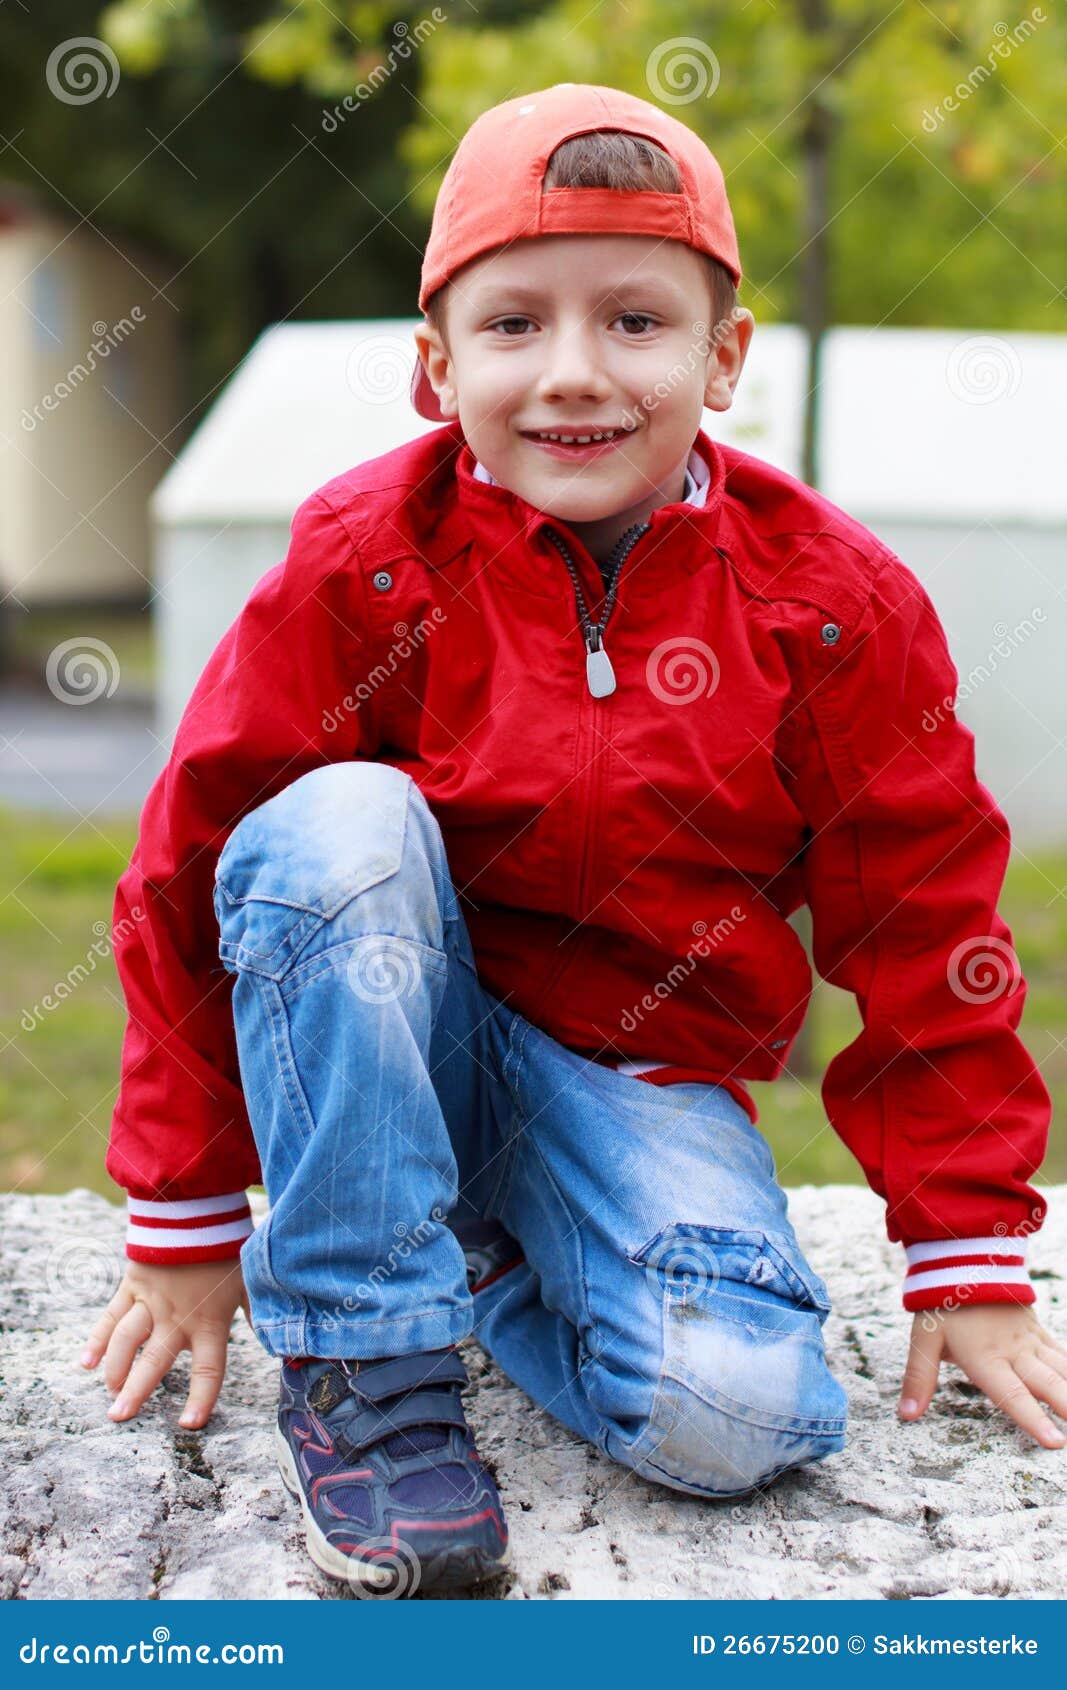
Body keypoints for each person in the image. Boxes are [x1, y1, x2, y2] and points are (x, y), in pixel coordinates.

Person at [81, 84, 1063, 1596]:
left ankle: (489, 1258)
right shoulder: (368, 560)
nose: (575, 375)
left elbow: (929, 912)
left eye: (637, 322)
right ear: (436, 366)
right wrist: (185, 1212)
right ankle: (364, 1349)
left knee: (743, 1413)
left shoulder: (826, 602)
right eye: (516, 326)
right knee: (336, 821)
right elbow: (192, 862)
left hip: (635, 1077)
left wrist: (968, 1245)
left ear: (725, 357)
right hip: (381, 1034)